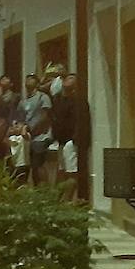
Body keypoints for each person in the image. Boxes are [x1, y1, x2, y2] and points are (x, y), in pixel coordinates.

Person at [52, 72, 92, 200]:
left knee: (71, 173)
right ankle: (59, 200)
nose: (67, 79)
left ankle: (66, 201)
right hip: (61, 141)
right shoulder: (58, 99)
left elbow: (82, 121)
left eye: (71, 78)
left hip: (71, 141)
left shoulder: (78, 100)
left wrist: (76, 140)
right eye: (67, 77)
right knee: (61, 172)